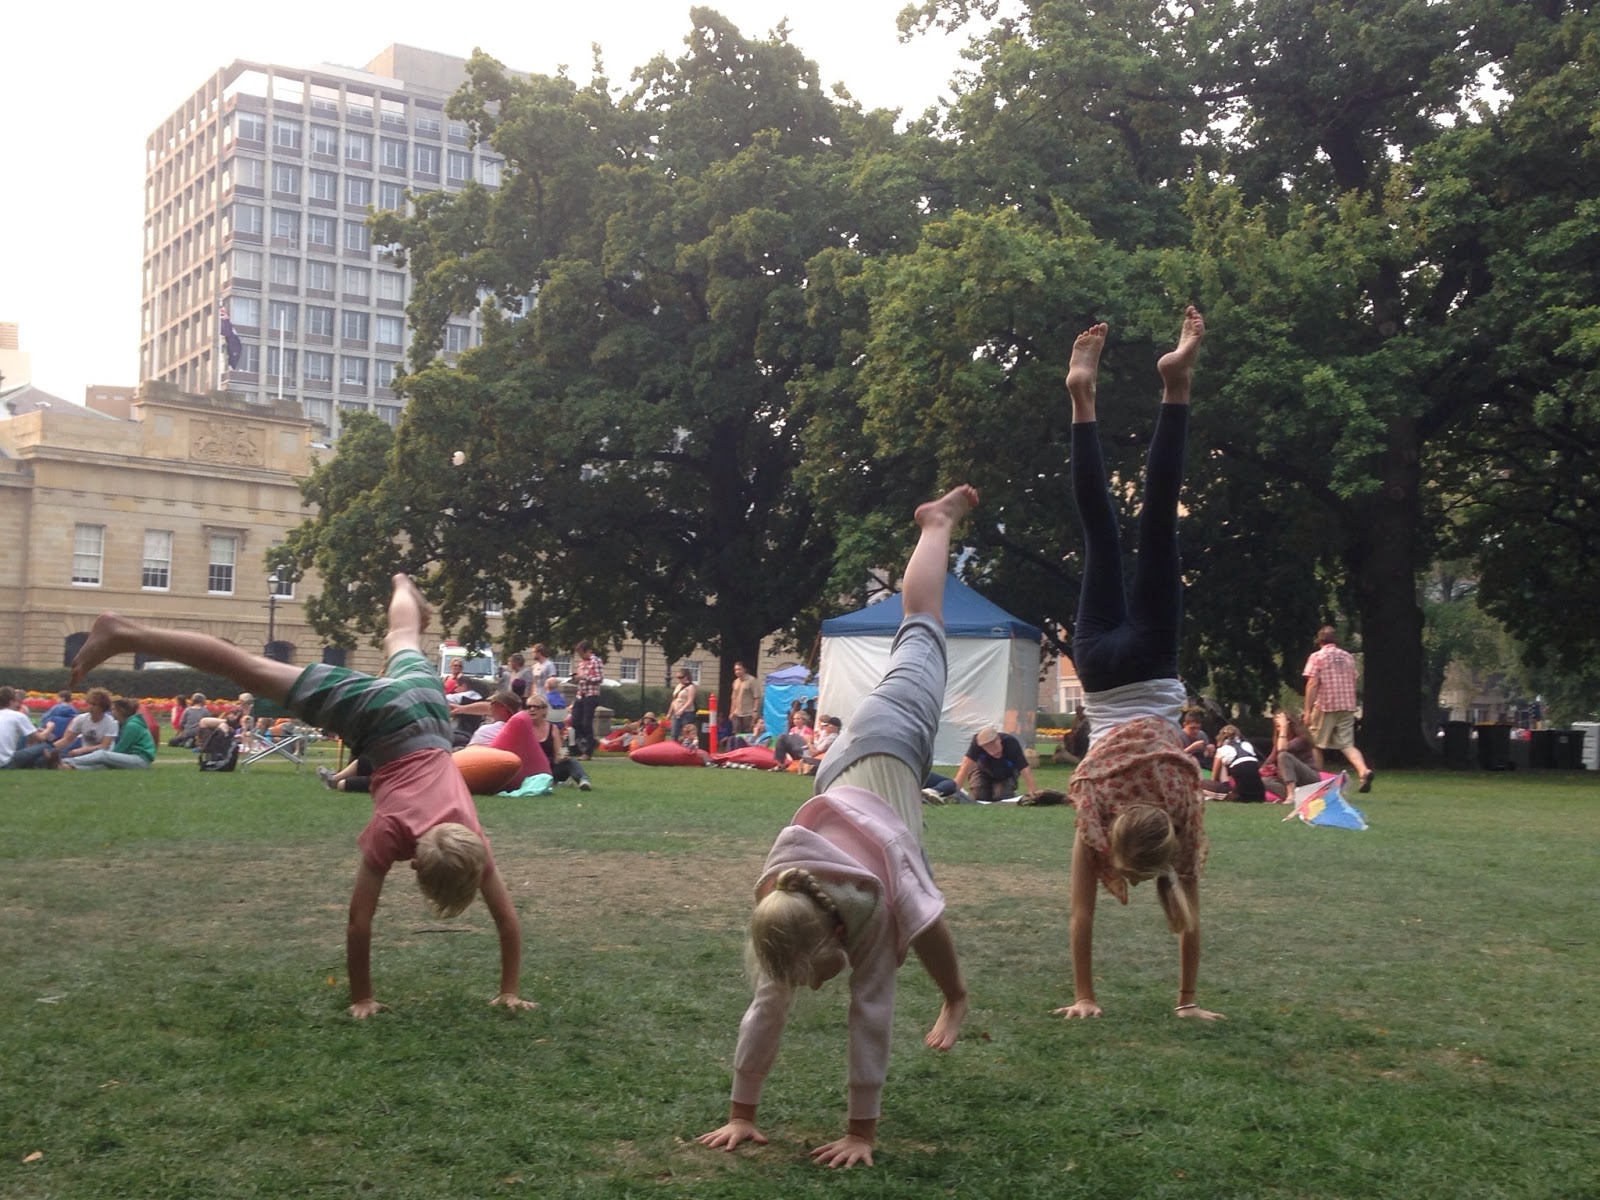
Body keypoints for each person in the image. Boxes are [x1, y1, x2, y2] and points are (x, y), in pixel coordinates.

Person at [67, 574, 538, 1018]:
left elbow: (507, 920)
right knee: (247, 668)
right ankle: (123, 632)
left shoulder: (469, 835)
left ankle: (402, 587)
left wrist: (510, 989)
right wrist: (362, 998)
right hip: (380, 717)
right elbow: (358, 921)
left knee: (402, 639)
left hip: (431, 712)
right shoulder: (393, 832)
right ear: (414, 864)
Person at [698, 486, 976, 1170]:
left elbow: (876, 1008)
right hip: (840, 786)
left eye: (816, 968)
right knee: (849, 961)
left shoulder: (878, 906)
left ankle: (935, 521)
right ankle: (933, 528)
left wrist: (954, 999)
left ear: (834, 932)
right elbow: (766, 1004)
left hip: (885, 739)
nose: (814, 986)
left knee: (922, 623)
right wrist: (741, 1114)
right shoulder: (785, 902)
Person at [1056, 307, 1224, 1024]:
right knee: (1100, 535)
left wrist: (1188, 998)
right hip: (1096, 668)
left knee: (1158, 521)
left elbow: (1187, 911)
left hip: (1152, 663)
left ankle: (1176, 387)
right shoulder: (1094, 806)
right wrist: (1083, 995)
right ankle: (1083, 396)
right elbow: (1080, 914)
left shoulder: (1183, 808)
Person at [1302, 626, 1374, 793]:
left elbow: (1312, 684)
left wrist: (1307, 710)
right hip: (1347, 706)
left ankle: (1317, 780)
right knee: (1347, 744)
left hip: (1325, 705)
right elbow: (1353, 679)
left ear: (1319, 641)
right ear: (1335, 640)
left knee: (1315, 743)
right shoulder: (1348, 657)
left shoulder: (1317, 657)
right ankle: (1364, 771)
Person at [63, 697, 156, 770]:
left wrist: (109, 757)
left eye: (113, 710)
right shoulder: (126, 724)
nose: (111, 712)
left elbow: (122, 748)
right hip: (134, 759)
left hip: (140, 760)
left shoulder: (132, 726)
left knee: (103, 755)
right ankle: (69, 767)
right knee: (103, 766)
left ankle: (66, 761)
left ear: (121, 711)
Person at [522, 693, 592, 791]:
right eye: (529, 707)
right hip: (532, 768)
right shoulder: (524, 728)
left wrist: (563, 755)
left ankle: (583, 780)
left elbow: (559, 752)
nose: (532, 709)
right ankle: (556, 782)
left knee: (570, 761)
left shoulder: (552, 728)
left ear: (544, 710)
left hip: (550, 766)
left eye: (536, 707)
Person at [953, 725, 1040, 803]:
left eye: (994, 745)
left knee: (1002, 798)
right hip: (982, 769)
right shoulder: (976, 744)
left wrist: (1033, 793)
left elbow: (1024, 769)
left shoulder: (1011, 742)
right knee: (980, 796)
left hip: (1007, 772)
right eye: (988, 748)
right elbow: (965, 767)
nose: (993, 751)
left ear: (999, 739)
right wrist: (954, 792)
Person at [1203, 725, 1265, 803]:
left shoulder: (1222, 750)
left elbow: (1214, 778)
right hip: (1260, 795)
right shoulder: (1247, 745)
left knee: (1201, 784)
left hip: (1241, 796)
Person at [1, 686, 57, 769]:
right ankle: (42, 763)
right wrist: (49, 728)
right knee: (48, 745)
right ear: (11, 701)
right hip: (6, 762)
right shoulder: (18, 716)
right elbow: (40, 738)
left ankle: (36, 764)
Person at [56, 688, 118, 760]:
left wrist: (82, 750)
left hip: (102, 754)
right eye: (89, 703)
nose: (90, 706)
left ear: (102, 707)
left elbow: (105, 745)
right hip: (84, 752)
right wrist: (51, 748)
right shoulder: (81, 718)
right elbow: (67, 739)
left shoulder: (110, 722)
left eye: (94, 704)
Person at [570, 641, 605, 759]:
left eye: (581, 653)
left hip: (591, 695)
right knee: (575, 721)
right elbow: (580, 678)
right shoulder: (581, 663)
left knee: (586, 723)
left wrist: (584, 677)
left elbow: (599, 678)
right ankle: (590, 741)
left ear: (587, 651)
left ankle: (588, 751)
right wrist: (576, 678)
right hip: (581, 694)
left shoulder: (596, 661)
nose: (580, 656)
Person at [730, 662, 761, 736]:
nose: (737, 671)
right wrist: (731, 712)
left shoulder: (752, 680)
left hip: (748, 713)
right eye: (735, 670)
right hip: (737, 713)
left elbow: (757, 697)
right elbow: (733, 698)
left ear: (744, 669)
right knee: (737, 734)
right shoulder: (735, 682)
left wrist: (755, 711)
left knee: (748, 734)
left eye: (739, 669)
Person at [667, 669, 698, 739]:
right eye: (678, 677)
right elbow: (674, 699)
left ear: (686, 676)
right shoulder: (678, 686)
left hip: (687, 713)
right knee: (674, 732)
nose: (679, 679)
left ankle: (687, 747)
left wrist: (682, 709)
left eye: (681, 677)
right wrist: (669, 713)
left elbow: (690, 700)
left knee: (686, 732)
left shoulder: (691, 687)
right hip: (676, 712)